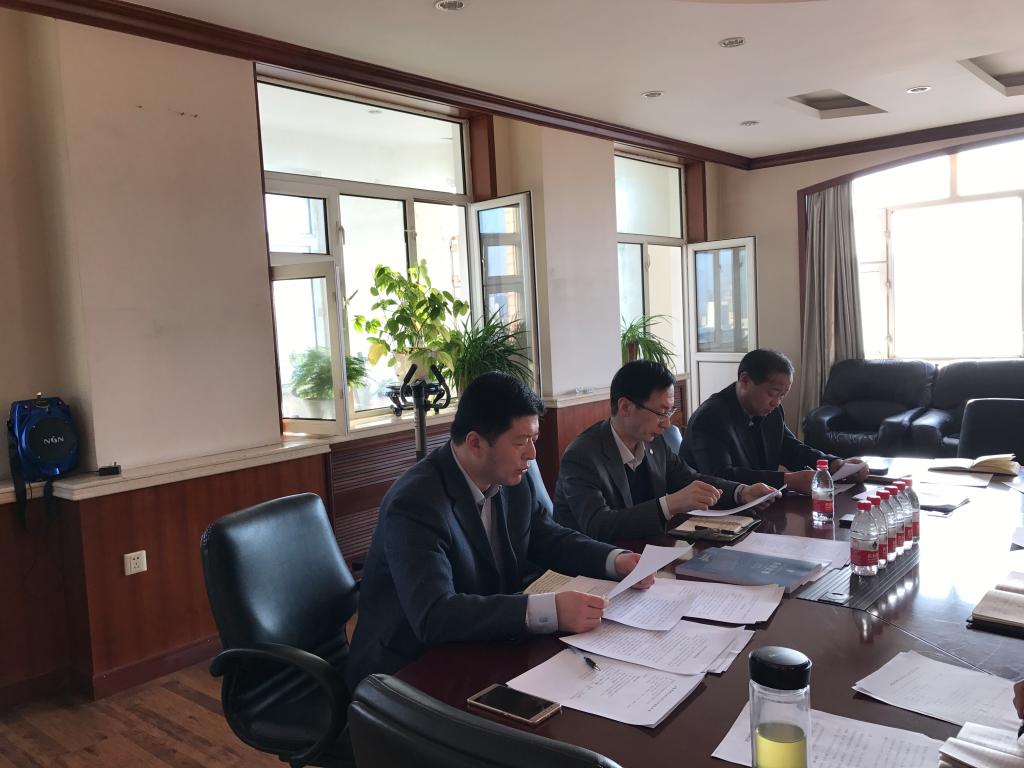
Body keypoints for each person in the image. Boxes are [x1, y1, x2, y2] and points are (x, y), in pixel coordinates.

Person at [346, 372, 653, 691]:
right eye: (520, 442)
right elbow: (434, 614)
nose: (532, 454)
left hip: (480, 647)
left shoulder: (512, 478)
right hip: (406, 674)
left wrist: (613, 560)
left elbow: (548, 537)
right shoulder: (416, 502)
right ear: (476, 443)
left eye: (534, 439)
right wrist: (551, 610)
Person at [553, 360, 776, 543]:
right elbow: (598, 525)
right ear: (625, 407)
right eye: (661, 413)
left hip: (647, 553)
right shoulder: (582, 456)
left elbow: (688, 479)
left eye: (670, 412)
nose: (667, 423)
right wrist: (668, 505)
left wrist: (741, 492)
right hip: (593, 567)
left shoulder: (653, 442)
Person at [680, 349, 868, 494]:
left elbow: (790, 449)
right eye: (772, 393)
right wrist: (788, 480)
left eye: (782, 395)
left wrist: (833, 464)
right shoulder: (711, 416)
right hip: (711, 512)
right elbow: (720, 476)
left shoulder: (772, 411)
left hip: (760, 504)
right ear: (745, 381)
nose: (776, 402)